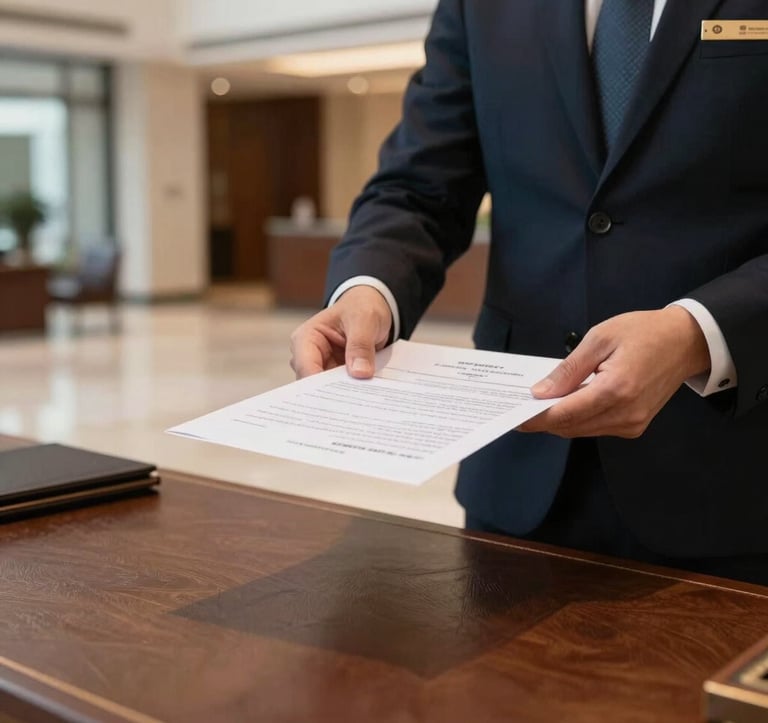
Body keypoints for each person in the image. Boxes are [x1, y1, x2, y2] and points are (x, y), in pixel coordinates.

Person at [290, 0, 768, 584]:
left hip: (736, 485)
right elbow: (418, 185)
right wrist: (367, 287)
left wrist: (700, 331)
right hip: (516, 485)